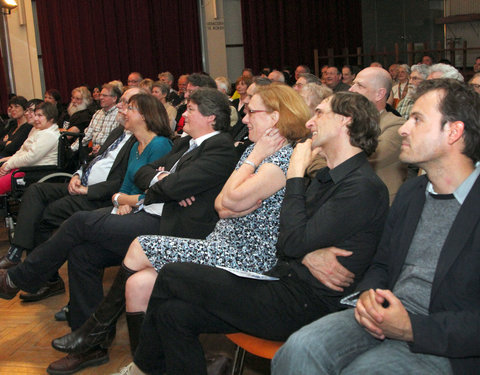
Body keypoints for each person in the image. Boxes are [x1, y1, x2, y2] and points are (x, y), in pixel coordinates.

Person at [111, 91, 389, 375]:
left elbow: (291, 240)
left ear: (345, 121)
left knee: (171, 274)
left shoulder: (361, 186)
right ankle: (146, 368)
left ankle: (143, 368)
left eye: (320, 113)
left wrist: (294, 177)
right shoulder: (327, 178)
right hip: (286, 282)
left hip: (306, 303)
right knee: (174, 314)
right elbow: (292, 237)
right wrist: (308, 254)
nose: (310, 122)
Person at [50, 83, 311, 366]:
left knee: (139, 245)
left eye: (251, 111)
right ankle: (140, 360)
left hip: (246, 259)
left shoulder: (280, 159)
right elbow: (221, 205)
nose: (245, 117)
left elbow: (230, 200)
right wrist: (234, 190)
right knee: (137, 284)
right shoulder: (256, 153)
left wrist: (252, 161)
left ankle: (98, 335)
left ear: (274, 118)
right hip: (220, 245)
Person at [0, 88, 239, 374]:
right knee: (82, 252)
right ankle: (89, 345)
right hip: (149, 213)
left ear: (211, 117)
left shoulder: (220, 147)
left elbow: (172, 187)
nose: (184, 114)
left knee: (79, 222)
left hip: (171, 229)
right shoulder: (186, 142)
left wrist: (167, 182)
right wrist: (166, 179)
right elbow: (144, 174)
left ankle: (18, 279)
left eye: (192, 110)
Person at [272, 78, 480, 375]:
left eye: (417, 120)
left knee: (366, 370)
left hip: (443, 338)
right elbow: (382, 264)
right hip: (383, 312)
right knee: (300, 349)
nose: (404, 128)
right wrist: (369, 293)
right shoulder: (412, 193)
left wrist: (411, 327)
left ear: (454, 131)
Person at [349, 67, 406, 203]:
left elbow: (366, 159)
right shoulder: (349, 121)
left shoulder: (396, 125)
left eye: (360, 86)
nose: (351, 90)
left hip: (380, 203)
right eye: (353, 84)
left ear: (379, 94)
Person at [0, 102, 60, 194]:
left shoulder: (50, 135)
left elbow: (30, 158)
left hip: (34, 171)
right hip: (24, 167)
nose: (35, 118)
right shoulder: (39, 130)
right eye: (35, 115)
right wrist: (8, 163)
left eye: (40, 115)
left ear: (51, 118)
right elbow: (22, 151)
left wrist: (8, 165)